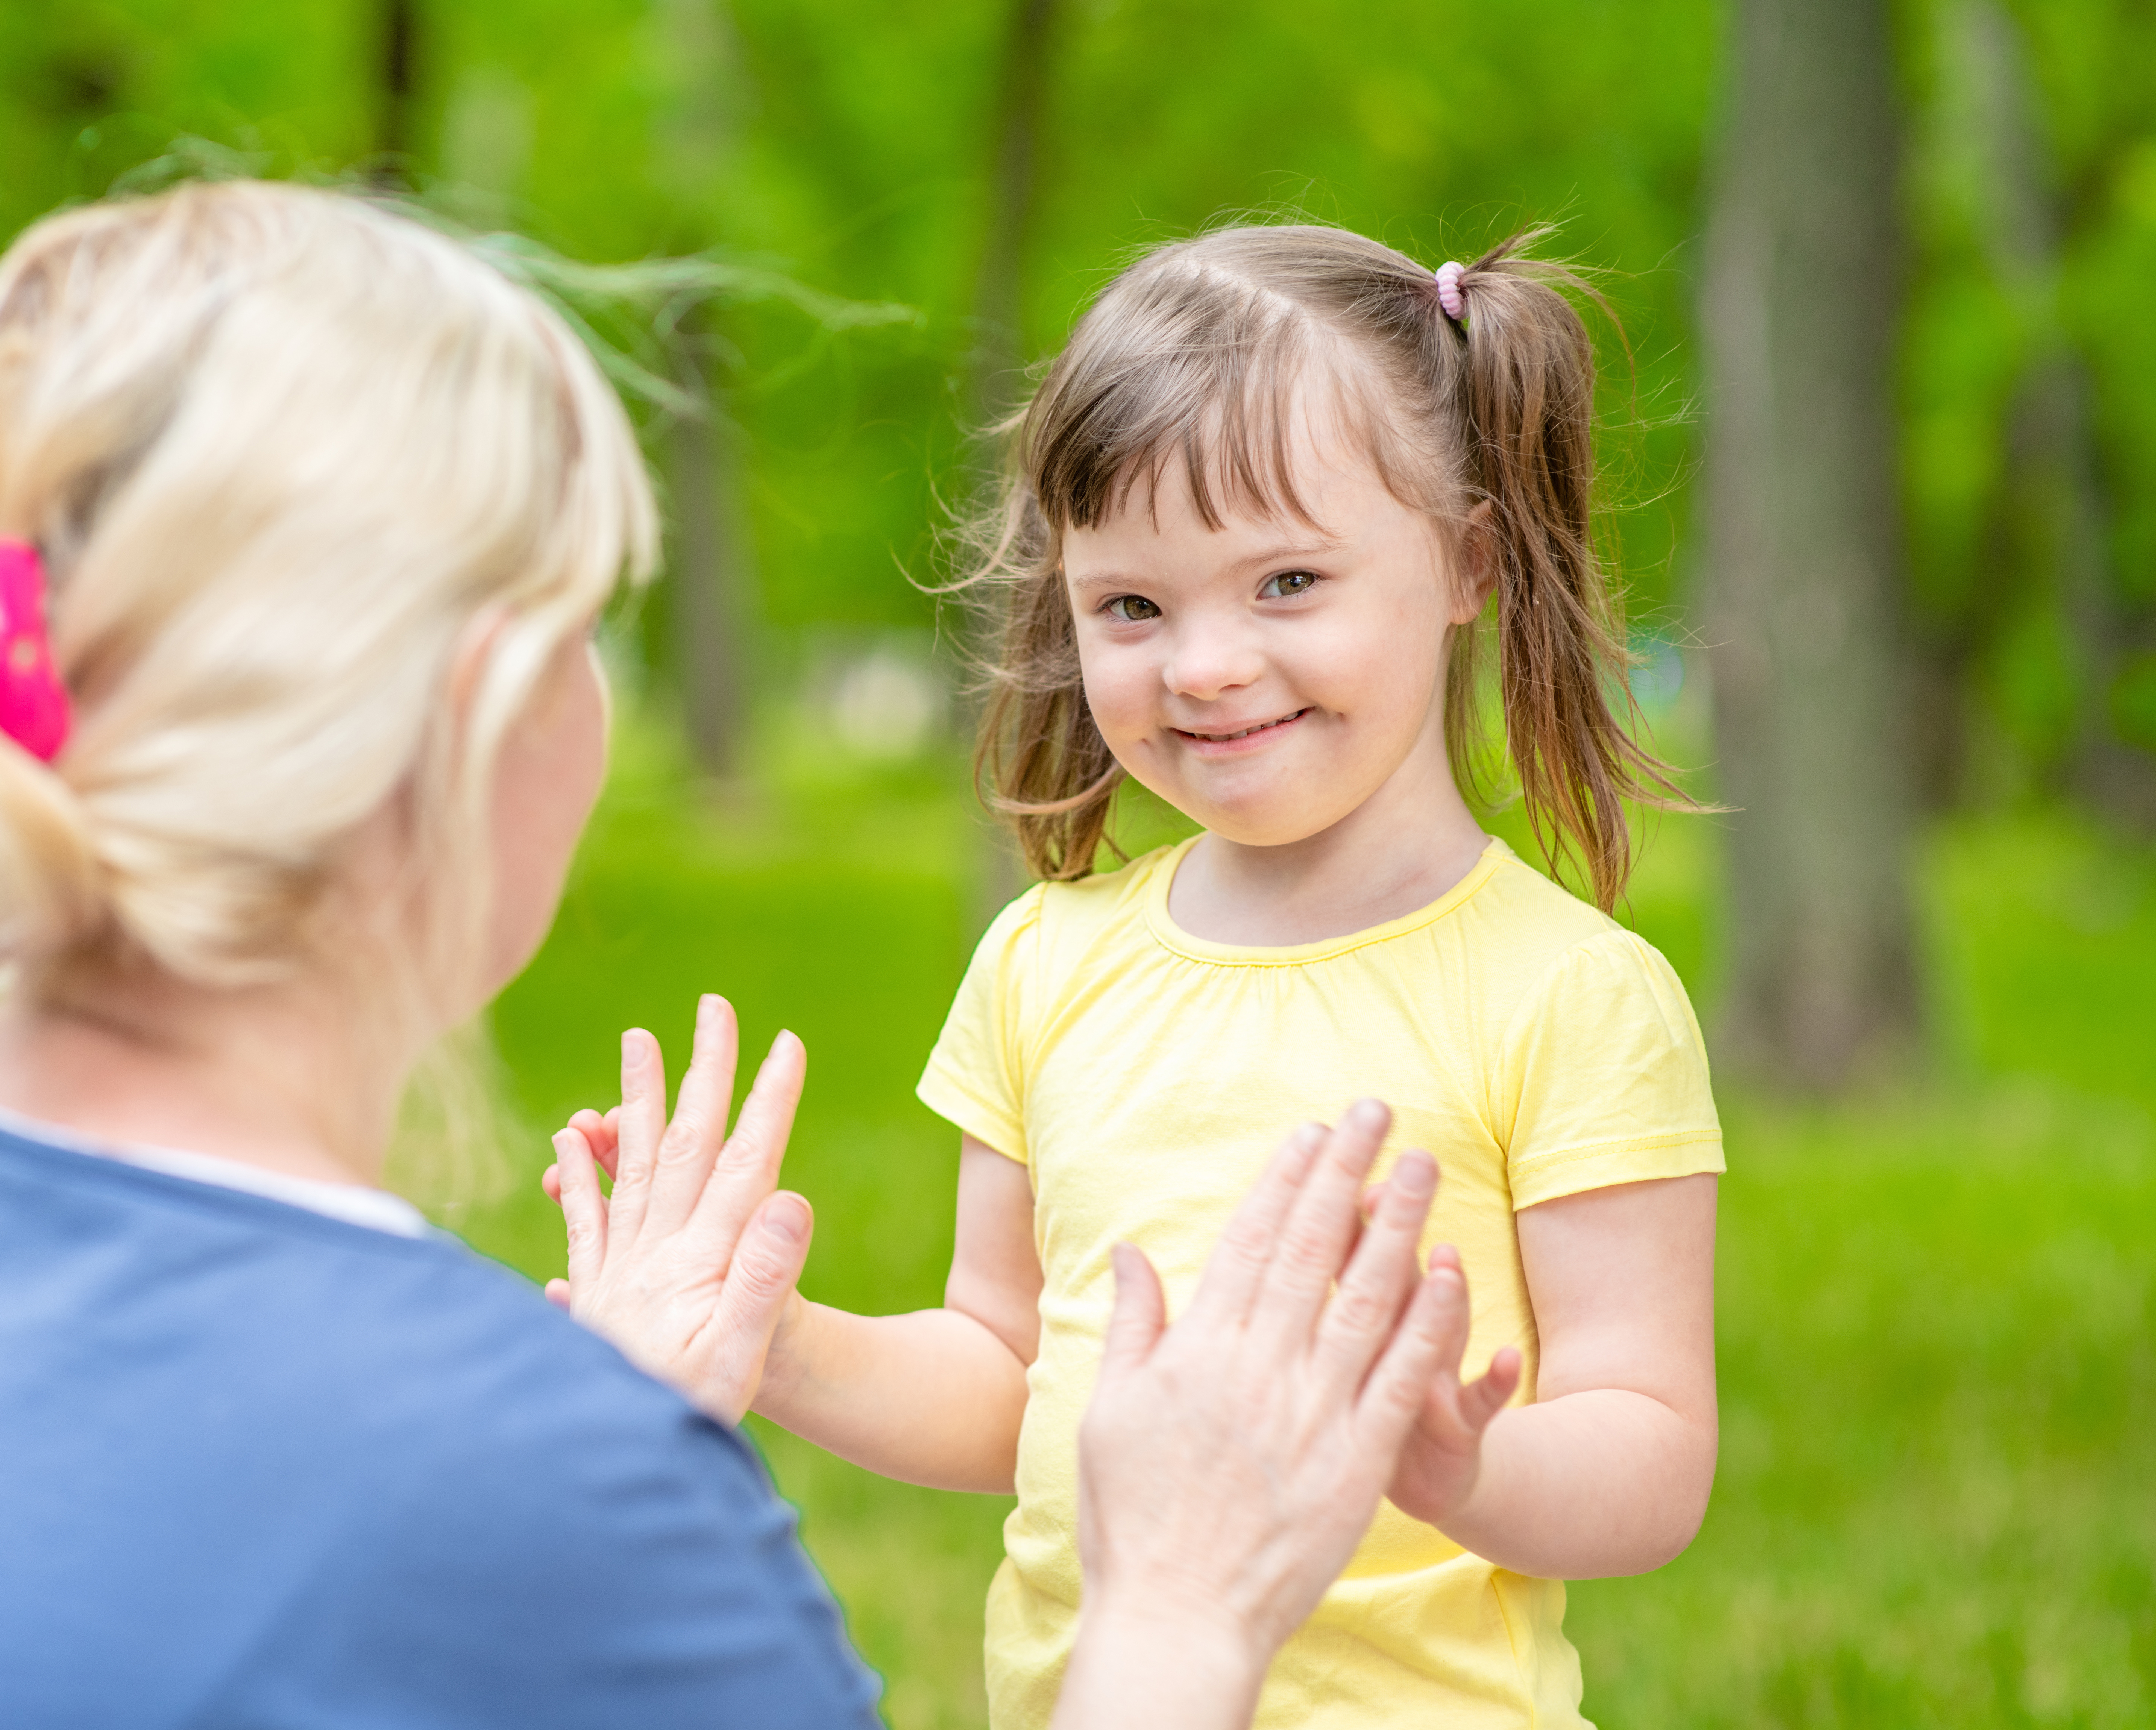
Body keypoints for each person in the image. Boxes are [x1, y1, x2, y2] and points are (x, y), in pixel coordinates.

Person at [0, 180, 1475, 1730]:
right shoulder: (560, 1508)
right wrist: (1181, 1609)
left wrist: (584, 1437)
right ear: (483, 715)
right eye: (588, 624)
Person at [550, 228, 1726, 1728]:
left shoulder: (1571, 996)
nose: (1207, 665)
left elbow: (1652, 1449)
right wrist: (771, 1334)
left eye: (1287, 582)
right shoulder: (1051, 958)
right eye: (1133, 607)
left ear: (1470, 564)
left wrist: (1461, 1464)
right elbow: (1006, 1371)